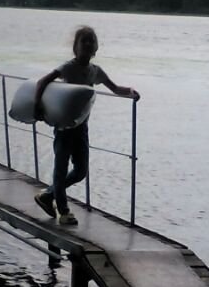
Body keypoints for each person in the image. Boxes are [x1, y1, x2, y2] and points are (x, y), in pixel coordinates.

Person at [33, 26, 138, 226]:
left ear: (96, 47)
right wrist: (37, 105)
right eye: (84, 41)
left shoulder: (95, 71)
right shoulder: (68, 67)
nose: (88, 44)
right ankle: (63, 211)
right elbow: (42, 81)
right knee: (60, 169)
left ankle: (48, 195)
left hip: (81, 128)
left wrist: (131, 91)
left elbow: (115, 88)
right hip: (64, 128)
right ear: (76, 46)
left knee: (81, 171)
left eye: (91, 41)